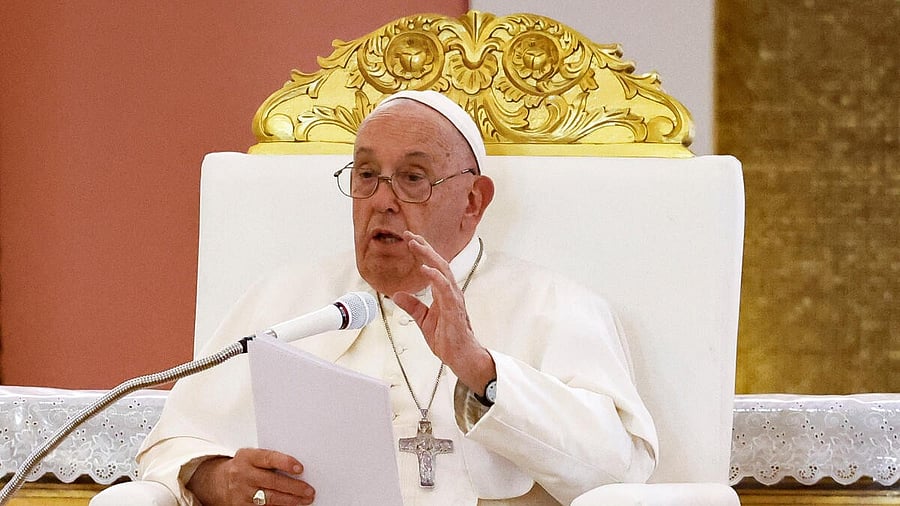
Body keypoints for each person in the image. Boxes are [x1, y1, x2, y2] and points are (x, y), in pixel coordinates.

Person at [137, 90, 658, 506]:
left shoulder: (557, 307)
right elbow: (172, 445)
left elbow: (620, 474)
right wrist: (218, 478)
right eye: (366, 175)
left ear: (473, 202)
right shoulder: (282, 299)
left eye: (412, 178)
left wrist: (481, 371)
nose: (382, 201)